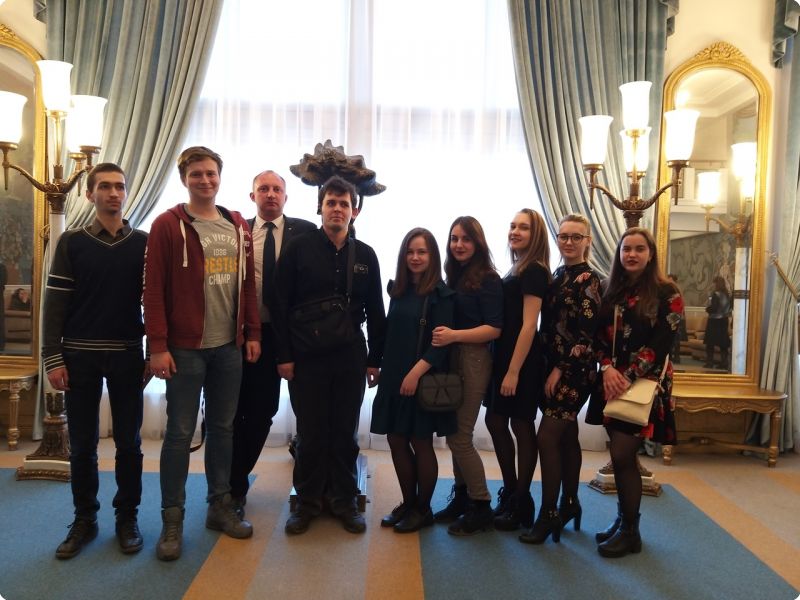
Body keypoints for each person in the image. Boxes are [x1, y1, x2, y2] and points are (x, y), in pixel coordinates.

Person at [143, 146, 261, 561]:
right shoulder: (167, 225)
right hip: (184, 350)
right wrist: (157, 346)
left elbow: (248, 286)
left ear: (220, 177)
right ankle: (172, 519)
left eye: (211, 173)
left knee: (223, 429)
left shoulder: (237, 225)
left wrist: (252, 332)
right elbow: (152, 290)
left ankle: (219, 505)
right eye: (197, 174)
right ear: (184, 179)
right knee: (179, 433)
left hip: (228, 348)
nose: (205, 180)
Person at [42, 163, 148, 559]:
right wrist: (52, 358)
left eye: (120, 186)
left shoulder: (144, 243)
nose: (113, 193)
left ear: (126, 193)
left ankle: (127, 518)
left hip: (127, 355)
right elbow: (55, 305)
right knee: (83, 445)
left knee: (129, 443)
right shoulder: (71, 243)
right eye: (105, 186)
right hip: (79, 355)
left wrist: (154, 351)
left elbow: (156, 303)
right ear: (90, 194)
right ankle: (84, 519)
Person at [273, 175, 386, 535]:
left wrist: (375, 359)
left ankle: (343, 500)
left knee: (343, 431)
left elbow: (377, 310)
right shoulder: (298, 248)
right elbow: (279, 304)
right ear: (319, 208)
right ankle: (307, 503)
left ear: (355, 211)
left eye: (344, 203)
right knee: (310, 431)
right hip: (305, 356)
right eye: (331, 202)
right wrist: (283, 356)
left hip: (351, 355)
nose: (337, 209)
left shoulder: (365, 254)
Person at [587, 227, 682, 558]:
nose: (631, 254)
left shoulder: (668, 293)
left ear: (650, 253)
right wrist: (606, 368)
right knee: (620, 455)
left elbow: (661, 344)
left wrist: (625, 376)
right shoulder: (610, 289)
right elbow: (597, 337)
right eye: (626, 248)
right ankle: (624, 520)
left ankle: (631, 531)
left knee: (623, 455)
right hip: (611, 381)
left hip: (644, 385)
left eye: (639, 249)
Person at [228, 170, 316, 518]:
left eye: (276, 189)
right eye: (263, 189)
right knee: (235, 412)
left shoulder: (305, 232)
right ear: (253, 197)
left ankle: (236, 479)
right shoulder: (237, 231)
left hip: (291, 336)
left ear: (285, 197)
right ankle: (234, 486)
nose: (270, 194)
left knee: (263, 413)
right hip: (246, 333)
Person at [520, 214, 600, 545]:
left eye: (575, 237)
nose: (568, 242)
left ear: (587, 241)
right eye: (563, 236)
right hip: (550, 366)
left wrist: (559, 369)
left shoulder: (589, 280)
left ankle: (549, 512)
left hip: (575, 371)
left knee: (547, 438)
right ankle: (570, 502)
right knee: (567, 437)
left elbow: (586, 335)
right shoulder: (556, 274)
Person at [370, 228, 456, 533]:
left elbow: (440, 345)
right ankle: (408, 503)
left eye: (422, 252)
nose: (415, 257)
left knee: (420, 442)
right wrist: (375, 364)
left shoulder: (441, 295)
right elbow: (388, 333)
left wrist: (415, 374)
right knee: (395, 439)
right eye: (410, 252)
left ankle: (423, 509)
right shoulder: (398, 290)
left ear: (432, 256)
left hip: (421, 377)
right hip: (393, 375)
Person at [431, 216, 502, 536]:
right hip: (454, 356)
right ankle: (462, 497)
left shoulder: (488, 278)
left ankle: (481, 504)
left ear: (478, 243)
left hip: (474, 358)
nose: (458, 245)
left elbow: (494, 329)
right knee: (452, 434)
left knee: (461, 436)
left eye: (466, 239)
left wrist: (454, 336)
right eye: (454, 238)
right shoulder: (455, 276)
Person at [485, 209, 550, 532]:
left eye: (523, 227)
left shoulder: (535, 270)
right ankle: (512, 492)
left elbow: (529, 326)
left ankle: (522, 499)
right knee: (497, 421)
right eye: (512, 226)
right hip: (504, 356)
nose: (515, 231)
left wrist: (513, 371)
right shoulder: (518, 266)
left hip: (521, 360)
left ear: (535, 235)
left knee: (520, 425)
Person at [704, 275, 731, 369]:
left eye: (714, 283)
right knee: (723, 343)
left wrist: (707, 309)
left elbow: (714, 308)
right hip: (724, 320)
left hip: (714, 321)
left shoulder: (715, 294)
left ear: (716, 283)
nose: (713, 285)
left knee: (710, 343)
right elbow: (729, 308)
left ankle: (709, 362)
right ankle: (724, 363)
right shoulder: (727, 295)